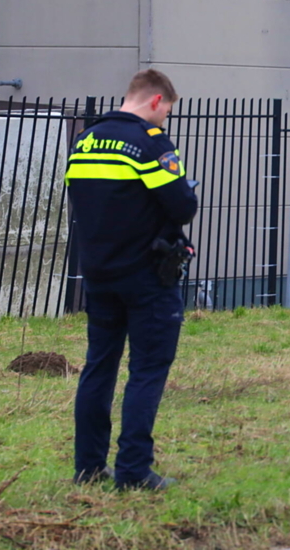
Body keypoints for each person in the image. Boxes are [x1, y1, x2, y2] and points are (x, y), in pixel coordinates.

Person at [65, 69, 199, 490]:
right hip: (146, 276)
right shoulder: (149, 143)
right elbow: (182, 206)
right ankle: (134, 472)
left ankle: (88, 467)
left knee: (98, 368)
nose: (165, 121)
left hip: (99, 274)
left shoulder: (84, 141)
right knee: (146, 370)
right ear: (157, 101)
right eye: (167, 113)